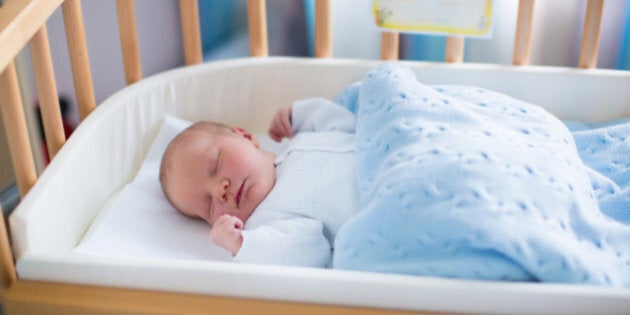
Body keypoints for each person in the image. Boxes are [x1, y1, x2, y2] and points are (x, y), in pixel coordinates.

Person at [159, 98, 360, 267]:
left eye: (215, 166)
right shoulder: (268, 220)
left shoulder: (303, 138)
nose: (219, 190)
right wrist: (242, 244)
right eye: (209, 205)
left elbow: (347, 125)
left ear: (245, 136)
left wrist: (298, 115)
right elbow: (311, 249)